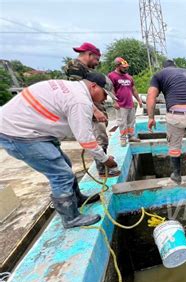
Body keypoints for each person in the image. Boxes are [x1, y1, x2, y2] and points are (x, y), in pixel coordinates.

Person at [0, 72, 119, 229]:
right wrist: (105, 160)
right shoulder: (79, 101)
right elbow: (86, 140)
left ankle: (77, 199)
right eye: (105, 94)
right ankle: (70, 218)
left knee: (65, 164)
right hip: (20, 134)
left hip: (31, 131)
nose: (105, 99)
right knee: (61, 174)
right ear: (93, 86)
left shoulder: (74, 90)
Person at [146, 60, 186, 184]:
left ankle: (176, 175)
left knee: (174, 147)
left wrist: (151, 118)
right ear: (175, 66)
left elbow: (151, 97)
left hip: (175, 116)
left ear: (164, 67)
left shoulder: (159, 75)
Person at [64, 42, 120, 177]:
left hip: (93, 108)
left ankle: (104, 159)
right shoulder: (75, 68)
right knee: (99, 138)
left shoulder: (83, 68)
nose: (97, 63)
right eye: (96, 59)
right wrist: (95, 110)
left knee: (102, 137)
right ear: (89, 54)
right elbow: (77, 94)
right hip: (90, 111)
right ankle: (103, 168)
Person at [108, 57, 143, 147]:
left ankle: (131, 136)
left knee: (131, 122)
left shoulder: (129, 77)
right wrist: (114, 102)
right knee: (122, 122)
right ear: (117, 66)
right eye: (123, 67)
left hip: (130, 104)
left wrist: (139, 100)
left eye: (126, 67)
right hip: (120, 105)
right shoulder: (112, 76)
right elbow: (111, 89)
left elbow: (133, 89)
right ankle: (123, 139)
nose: (125, 68)